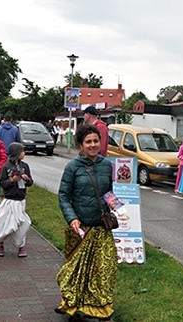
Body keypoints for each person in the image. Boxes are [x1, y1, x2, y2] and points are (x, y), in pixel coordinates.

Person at [55, 124, 117, 321]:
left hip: (101, 227)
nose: (93, 145)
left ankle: (102, 308)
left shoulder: (107, 165)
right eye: (88, 142)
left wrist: (114, 204)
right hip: (81, 228)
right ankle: (75, 305)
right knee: (78, 271)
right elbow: (63, 195)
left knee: (104, 269)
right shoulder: (73, 167)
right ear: (80, 145)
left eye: (95, 141)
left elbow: (108, 192)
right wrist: (72, 218)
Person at [0, 142, 33, 258]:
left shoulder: (25, 166)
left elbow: (31, 183)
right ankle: (0, 243)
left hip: (20, 201)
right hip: (9, 200)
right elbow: (2, 183)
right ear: (16, 153)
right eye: (22, 151)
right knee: (4, 222)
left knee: (22, 223)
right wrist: (12, 180)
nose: (24, 154)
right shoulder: (6, 167)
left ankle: (21, 245)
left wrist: (27, 179)